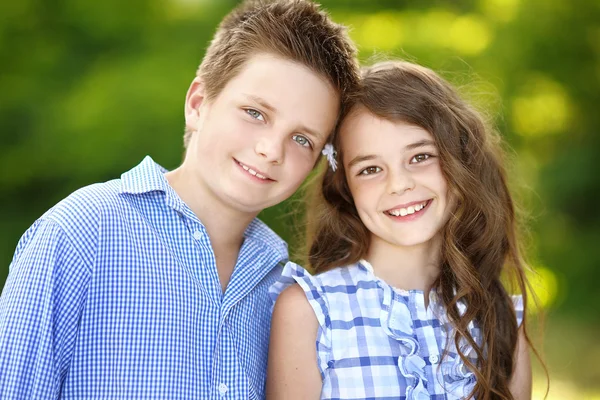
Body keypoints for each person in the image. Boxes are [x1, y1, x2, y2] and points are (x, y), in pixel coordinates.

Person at [0, 0, 359, 398]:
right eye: (255, 113)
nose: (272, 149)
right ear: (198, 104)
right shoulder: (83, 231)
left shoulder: (285, 291)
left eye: (302, 139)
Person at [268, 60, 536, 399]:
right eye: (370, 169)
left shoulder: (501, 319)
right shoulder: (311, 312)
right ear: (346, 187)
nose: (399, 185)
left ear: (460, 159)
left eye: (420, 157)